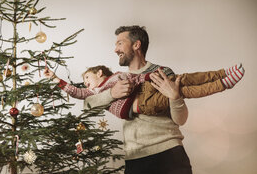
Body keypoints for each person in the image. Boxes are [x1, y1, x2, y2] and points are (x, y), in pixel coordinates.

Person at [83, 25, 228, 174]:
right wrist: (112, 94)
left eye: (119, 43)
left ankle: (224, 79)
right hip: (136, 160)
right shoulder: (116, 81)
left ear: (136, 44)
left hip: (170, 154)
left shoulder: (161, 73)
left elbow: (181, 119)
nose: (115, 49)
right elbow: (88, 104)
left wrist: (175, 97)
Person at [44, 63, 244, 119]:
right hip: (144, 104)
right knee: (186, 92)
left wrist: (150, 76)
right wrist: (56, 79)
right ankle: (224, 84)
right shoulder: (94, 94)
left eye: (87, 78)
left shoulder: (118, 75)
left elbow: (136, 78)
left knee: (184, 79)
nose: (85, 83)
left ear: (99, 73)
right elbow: (77, 94)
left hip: (147, 86)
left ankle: (223, 72)